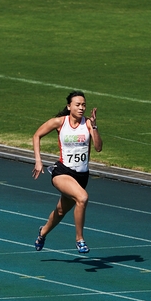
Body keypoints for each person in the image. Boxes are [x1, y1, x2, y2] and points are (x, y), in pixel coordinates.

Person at [32, 91, 103, 253]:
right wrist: (38, 161)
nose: (81, 108)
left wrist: (95, 126)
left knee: (61, 211)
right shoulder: (59, 122)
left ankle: (42, 232)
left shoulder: (88, 124)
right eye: (77, 105)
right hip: (62, 172)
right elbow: (37, 135)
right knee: (83, 197)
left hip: (81, 176)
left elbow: (98, 148)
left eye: (83, 105)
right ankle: (80, 240)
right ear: (69, 106)